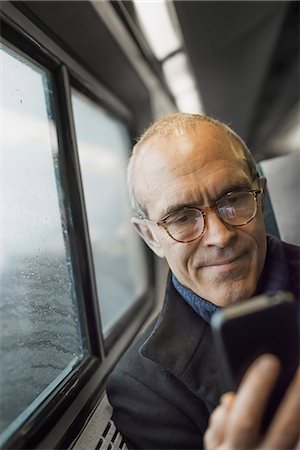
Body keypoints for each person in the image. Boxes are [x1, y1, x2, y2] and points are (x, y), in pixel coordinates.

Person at [107, 113, 300, 449]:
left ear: (261, 196)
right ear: (151, 237)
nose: (220, 236)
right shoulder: (143, 389)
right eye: (182, 218)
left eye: (233, 200)